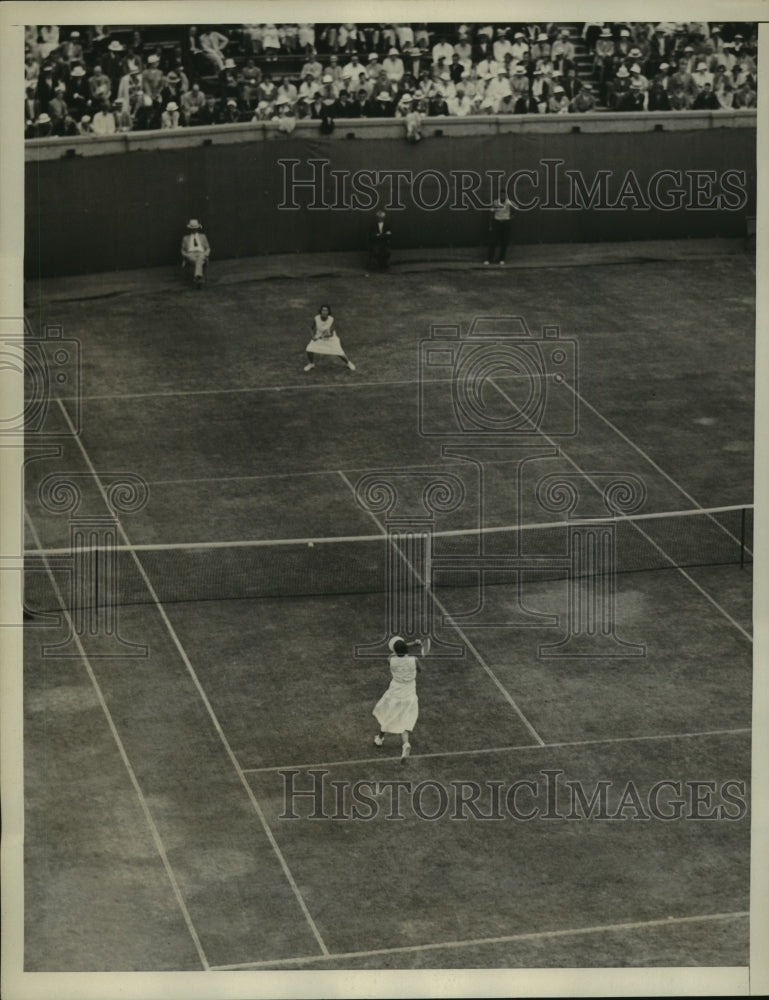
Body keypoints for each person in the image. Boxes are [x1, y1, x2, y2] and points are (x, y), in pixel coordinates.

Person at [372, 637, 428, 763]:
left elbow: (396, 653)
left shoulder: (391, 660)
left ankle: (379, 739)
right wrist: (415, 645)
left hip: (395, 694)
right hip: (409, 695)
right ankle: (405, 744)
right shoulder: (414, 660)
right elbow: (421, 670)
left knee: (388, 715)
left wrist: (412, 644)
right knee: (404, 721)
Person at [303, 305, 355, 372]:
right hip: (319, 337)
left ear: (328, 312)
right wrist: (313, 336)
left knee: (340, 353)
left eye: (326, 310)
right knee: (309, 349)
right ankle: (311, 364)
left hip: (331, 339)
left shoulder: (331, 319)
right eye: (323, 310)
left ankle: (348, 363)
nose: (324, 312)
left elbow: (331, 334)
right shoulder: (316, 318)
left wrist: (321, 337)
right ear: (320, 311)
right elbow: (311, 328)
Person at [484, 195, 514, 265]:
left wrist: (511, 216)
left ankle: (502, 259)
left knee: (504, 242)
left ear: (506, 196)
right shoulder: (495, 202)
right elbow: (491, 213)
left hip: (506, 223)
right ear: (499, 196)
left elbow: (516, 208)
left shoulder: (509, 202)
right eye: (501, 195)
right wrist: (490, 225)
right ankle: (489, 259)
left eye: (504, 195)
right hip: (497, 223)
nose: (502, 197)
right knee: (493, 241)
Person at [181, 219, 210, 287]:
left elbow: (208, 248)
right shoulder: (185, 238)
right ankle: (199, 278)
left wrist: (206, 254)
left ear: (198, 228)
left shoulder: (203, 236)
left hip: (201, 253)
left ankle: (197, 277)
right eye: (192, 228)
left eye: (195, 228)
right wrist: (186, 255)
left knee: (200, 258)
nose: (194, 230)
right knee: (198, 260)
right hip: (190, 254)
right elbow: (182, 250)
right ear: (190, 229)